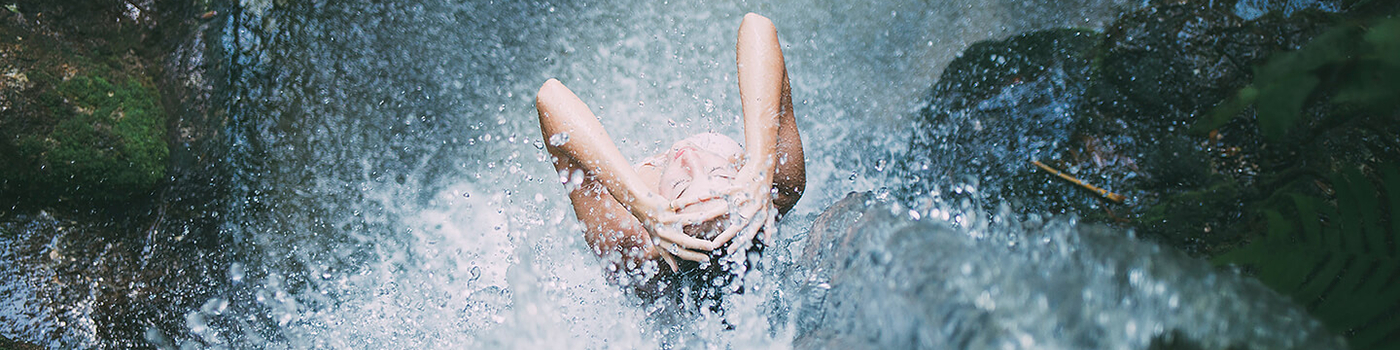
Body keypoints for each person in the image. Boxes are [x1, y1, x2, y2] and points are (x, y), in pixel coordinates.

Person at [534, 13, 805, 292]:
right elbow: (756, 25)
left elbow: (550, 97)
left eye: (679, 185)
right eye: (718, 171)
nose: (689, 156)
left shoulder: (630, 245)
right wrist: (760, 165)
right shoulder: (774, 190)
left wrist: (639, 204)